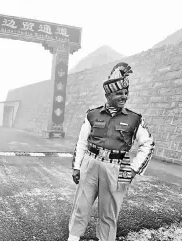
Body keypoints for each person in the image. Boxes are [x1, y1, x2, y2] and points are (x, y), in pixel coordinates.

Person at [67, 62, 155, 241]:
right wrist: (77, 167)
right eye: (119, 93)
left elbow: (148, 144)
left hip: (117, 167)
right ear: (108, 95)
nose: (124, 97)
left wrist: (133, 169)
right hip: (90, 163)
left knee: (109, 213)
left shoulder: (134, 118)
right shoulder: (92, 114)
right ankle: (73, 238)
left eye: (126, 93)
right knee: (80, 207)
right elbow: (82, 142)